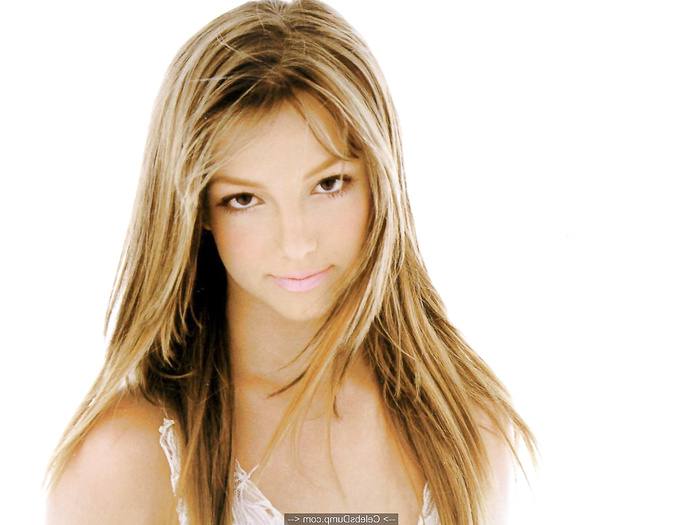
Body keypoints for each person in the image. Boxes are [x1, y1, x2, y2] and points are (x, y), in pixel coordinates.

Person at [45, 1, 536, 524]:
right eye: (244, 199)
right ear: (197, 210)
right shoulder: (127, 457)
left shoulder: (468, 427)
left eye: (329, 184)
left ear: (381, 181)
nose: (297, 244)